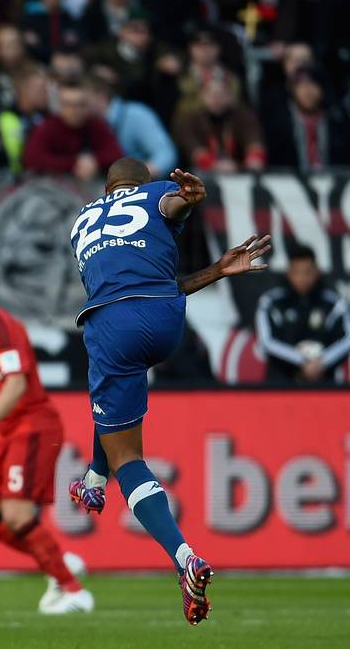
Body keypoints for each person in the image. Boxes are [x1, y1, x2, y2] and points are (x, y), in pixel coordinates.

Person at [66, 158, 272, 626]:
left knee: (128, 458)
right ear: (140, 182)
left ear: (107, 187)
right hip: (166, 318)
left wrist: (183, 201)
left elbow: (159, 217)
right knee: (116, 408)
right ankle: (93, 483)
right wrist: (210, 252)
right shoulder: (153, 192)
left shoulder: (82, 221)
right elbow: (170, 205)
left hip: (113, 321)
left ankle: (184, 559)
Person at [0, 255, 93, 615]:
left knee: (16, 514)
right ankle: (59, 561)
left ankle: (73, 592)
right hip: (8, 429)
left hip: (33, 425)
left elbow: (16, 383)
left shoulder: (1, 327)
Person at [256, 245, 350, 384]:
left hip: (324, 384)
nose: (302, 278)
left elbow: (347, 340)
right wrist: (301, 361)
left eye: (307, 272)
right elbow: (267, 341)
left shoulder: (334, 304)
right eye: (297, 272)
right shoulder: (271, 302)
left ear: (316, 272)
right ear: (289, 273)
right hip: (281, 383)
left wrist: (321, 362)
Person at [22, 79, 122, 181]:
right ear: (59, 106)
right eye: (68, 105)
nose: (74, 111)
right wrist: (75, 163)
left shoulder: (95, 125)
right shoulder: (48, 127)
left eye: (80, 104)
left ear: (88, 105)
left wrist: (95, 162)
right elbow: (32, 158)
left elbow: (116, 155)